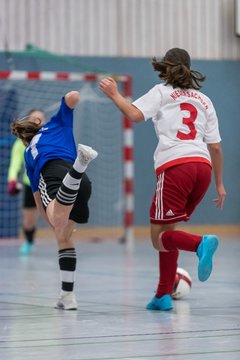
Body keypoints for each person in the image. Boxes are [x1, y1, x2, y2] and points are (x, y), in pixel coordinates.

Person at [99, 48, 226, 311]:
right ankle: (162, 295)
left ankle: (200, 243)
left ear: (166, 68)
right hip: (202, 169)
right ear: (189, 69)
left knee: (158, 238)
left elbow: (134, 115)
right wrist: (220, 184)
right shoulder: (205, 100)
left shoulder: (161, 92)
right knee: (169, 231)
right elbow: (215, 148)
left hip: (176, 168)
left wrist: (114, 95)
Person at [11, 91, 98, 310]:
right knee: (65, 237)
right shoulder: (57, 124)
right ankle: (67, 296)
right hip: (81, 183)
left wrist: (51, 221)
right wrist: (71, 99)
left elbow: (38, 198)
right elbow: (73, 96)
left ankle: (80, 166)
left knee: (58, 224)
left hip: (55, 173)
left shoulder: (29, 151)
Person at [8, 110, 46, 255]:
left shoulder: (49, 139)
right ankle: (29, 241)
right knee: (29, 219)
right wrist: (12, 180)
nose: (38, 121)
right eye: (35, 118)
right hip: (31, 185)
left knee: (58, 215)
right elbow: (15, 164)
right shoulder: (21, 143)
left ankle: (63, 242)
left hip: (49, 184)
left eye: (41, 119)